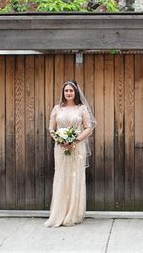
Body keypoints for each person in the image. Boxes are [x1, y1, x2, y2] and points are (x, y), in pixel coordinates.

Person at [44, 80, 96, 227]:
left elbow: (88, 127)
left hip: (77, 148)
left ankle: (73, 213)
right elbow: (51, 129)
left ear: (75, 92)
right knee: (61, 176)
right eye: (66, 90)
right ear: (63, 92)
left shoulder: (82, 109)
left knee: (75, 177)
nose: (68, 93)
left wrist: (75, 140)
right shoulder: (57, 109)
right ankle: (59, 213)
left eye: (71, 90)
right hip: (60, 149)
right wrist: (60, 140)